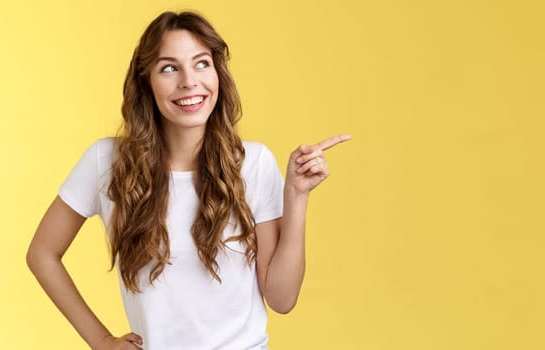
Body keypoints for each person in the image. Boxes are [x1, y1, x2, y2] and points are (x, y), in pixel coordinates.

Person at [26, 10, 351, 350]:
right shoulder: (107, 162)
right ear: (146, 82)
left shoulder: (253, 163)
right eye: (169, 67)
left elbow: (282, 299)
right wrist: (102, 341)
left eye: (201, 63)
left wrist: (297, 195)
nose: (189, 81)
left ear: (217, 74)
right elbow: (42, 253)